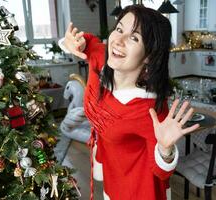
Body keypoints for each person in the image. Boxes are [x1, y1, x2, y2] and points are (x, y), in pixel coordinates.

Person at [59, 5, 199, 200]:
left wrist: (165, 149)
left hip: (140, 189)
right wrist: (75, 43)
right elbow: (90, 43)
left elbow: (161, 172)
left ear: (149, 55)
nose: (118, 41)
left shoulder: (148, 109)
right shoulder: (104, 59)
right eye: (119, 29)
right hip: (112, 177)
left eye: (134, 38)